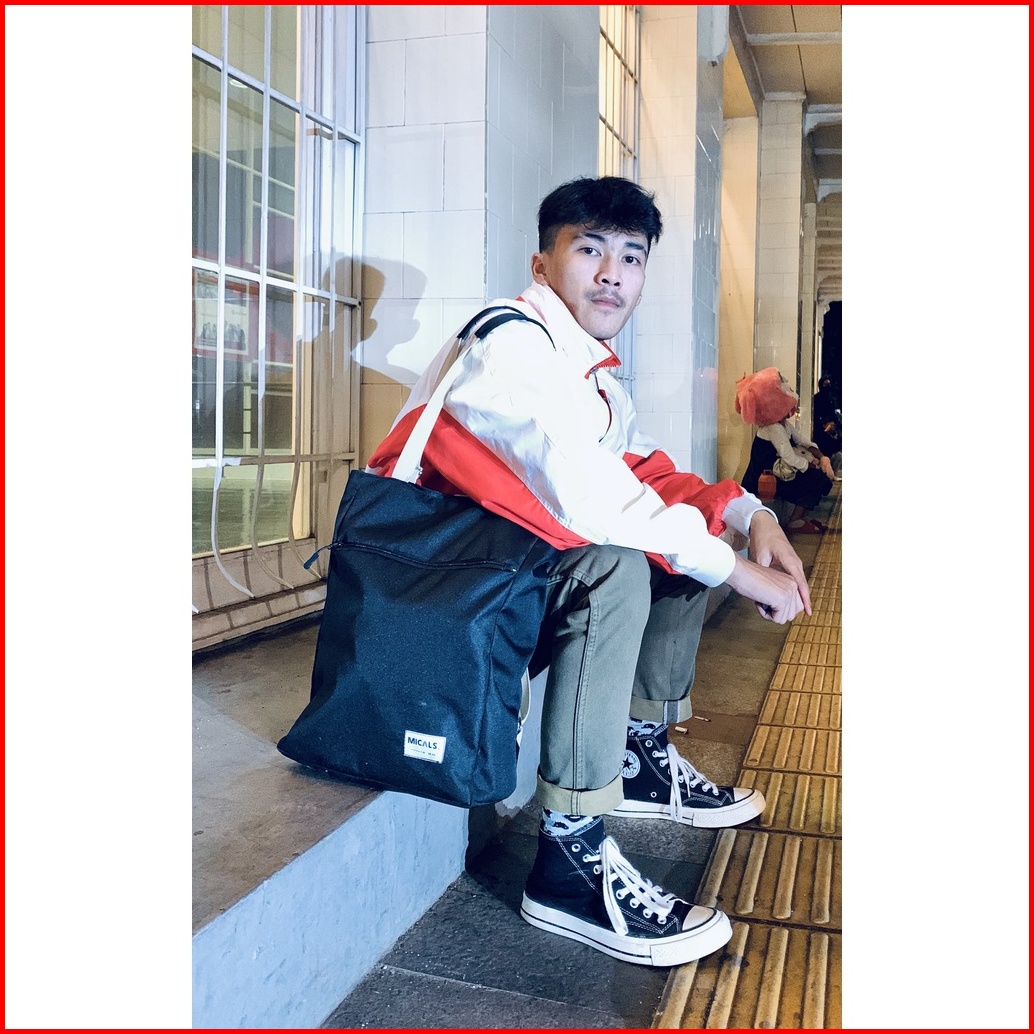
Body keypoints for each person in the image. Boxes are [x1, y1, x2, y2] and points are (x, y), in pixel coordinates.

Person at [366, 176, 811, 967]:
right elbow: (594, 497)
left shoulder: (589, 369)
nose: (612, 273)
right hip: (426, 600)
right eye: (590, 249)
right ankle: (568, 857)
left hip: (491, 584)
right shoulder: (510, 345)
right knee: (614, 567)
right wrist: (739, 573)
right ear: (543, 265)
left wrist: (752, 516)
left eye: (631, 257)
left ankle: (635, 754)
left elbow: (645, 474)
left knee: (681, 535)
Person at [737, 367, 835, 534]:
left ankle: (800, 518)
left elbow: (802, 441)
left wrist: (822, 457)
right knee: (817, 479)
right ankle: (795, 520)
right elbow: (789, 457)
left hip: (778, 475)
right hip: (764, 480)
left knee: (818, 478)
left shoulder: (782, 425)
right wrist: (812, 465)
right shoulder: (773, 428)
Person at [812, 375, 842, 477]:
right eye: (825, 385)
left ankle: (831, 474)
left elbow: (835, 416)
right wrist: (824, 426)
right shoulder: (816, 399)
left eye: (828, 385)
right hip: (820, 433)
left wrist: (833, 425)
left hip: (830, 432)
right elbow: (815, 416)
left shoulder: (831, 399)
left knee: (835, 452)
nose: (827, 387)